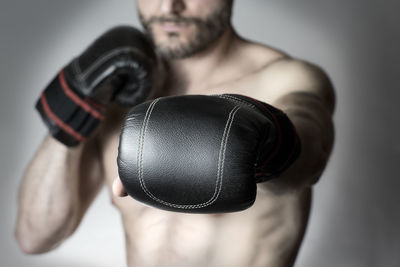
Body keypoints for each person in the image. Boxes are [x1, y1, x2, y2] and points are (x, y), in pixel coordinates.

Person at [15, 0, 335, 266]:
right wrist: (74, 110)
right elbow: (35, 236)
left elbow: (310, 151)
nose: (170, 6)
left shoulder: (285, 79)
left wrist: (266, 137)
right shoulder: (121, 92)